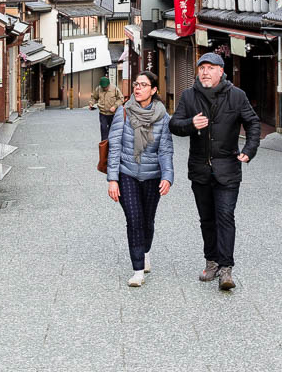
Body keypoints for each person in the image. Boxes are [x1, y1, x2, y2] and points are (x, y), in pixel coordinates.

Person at [169, 52, 260, 291]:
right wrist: (190, 124)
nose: (205, 72)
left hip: (228, 168)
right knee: (207, 219)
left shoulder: (237, 96)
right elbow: (174, 124)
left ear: (221, 71)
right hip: (200, 169)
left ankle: (226, 269)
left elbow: (253, 123)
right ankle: (211, 261)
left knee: (225, 216)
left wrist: (249, 149)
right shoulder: (189, 96)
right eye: (202, 68)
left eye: (210, 68)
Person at [106, 70, 173, 287]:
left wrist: (167, 176)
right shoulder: (123, 112)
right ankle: (137, 270)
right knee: (134, 220)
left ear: (153, 90)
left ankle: (145, 253)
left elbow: (165, 150)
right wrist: (112, 179)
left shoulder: (163, 117)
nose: (138, 88)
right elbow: (114, 146)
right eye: (136, 84)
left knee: (147, 220)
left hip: (153, 176)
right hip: (128, 174)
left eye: (143, 85)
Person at [91, 73, 123, 140]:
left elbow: (121, 99)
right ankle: (104, 146)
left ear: (109, 85)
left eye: (106, 87)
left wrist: (115, 106)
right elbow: (94, 97)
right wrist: (92, 103)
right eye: (103, 87)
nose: (105, 88)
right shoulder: (99, 89)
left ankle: (112, 144)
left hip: (113, 114)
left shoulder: (114, 88)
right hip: (103, 113)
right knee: (103, 129)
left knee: (113, 130)